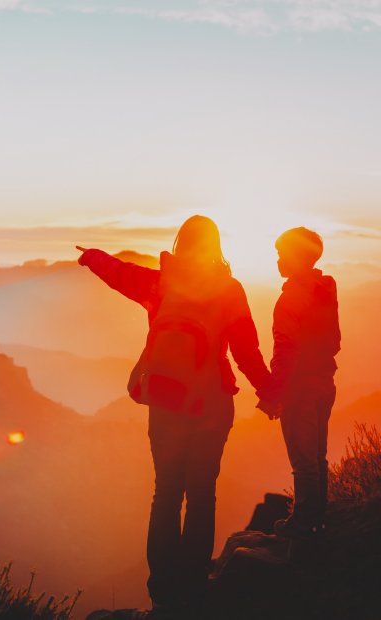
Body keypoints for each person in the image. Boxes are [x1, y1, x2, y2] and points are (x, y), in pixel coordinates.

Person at [76, 215, 272, 617]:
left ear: (181, 243)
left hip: (166, 404)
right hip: (211, 405)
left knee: (165, 495)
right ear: (215, 246)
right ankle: (193, 586)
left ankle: (162, 591)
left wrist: (92, 257)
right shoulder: (229, 290)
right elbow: (246, 351)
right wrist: (270, 393)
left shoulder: (159, 282)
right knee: (201, 496)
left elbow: (119, 273)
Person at [258, 227, 341, 539]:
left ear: (295, 258)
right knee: (317, 455)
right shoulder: (325, 288)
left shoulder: (291, 300)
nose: (278, 261)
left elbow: (285, 353)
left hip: (300, 387)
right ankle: (318, 517)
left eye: (282, 255)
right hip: (324, 380)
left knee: (303, 459)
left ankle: (305, 524)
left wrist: (272, 395)